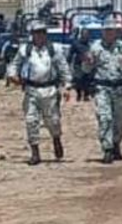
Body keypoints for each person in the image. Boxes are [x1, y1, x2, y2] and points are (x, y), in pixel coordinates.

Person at [7, 21, 73, 166]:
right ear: (32, 35)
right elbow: (14, 64)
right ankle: (35, 152)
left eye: (42, 32)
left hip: (50, 90)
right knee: (31, 121)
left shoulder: (54, 49)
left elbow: (63, 68)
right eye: (36, 33)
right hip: (31, 90)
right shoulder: (25, 50)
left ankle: (56, 139)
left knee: (53, 121)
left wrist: (67, 86)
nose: (39, 36)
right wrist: (13, 75)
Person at [82, 19, 122, 164]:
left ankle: (116, 143)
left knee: (120, 119)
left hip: (119, 88)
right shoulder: (95, 47)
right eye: (106, 30)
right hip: (102, 87)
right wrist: (87, 62)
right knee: (105, 117)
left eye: (112, 31)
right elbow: (86, 69)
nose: (109, 33)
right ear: (102, 32)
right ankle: (107, 149)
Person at [68, 28, 93, 102]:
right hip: (78, 64)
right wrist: (68, 63)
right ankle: (78, 94)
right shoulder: (76, 43)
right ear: (81, 35)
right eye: (85, 34)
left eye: (87, 34)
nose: (86, 36)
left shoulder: (91, 44)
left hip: (88, 64)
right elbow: (71, 53)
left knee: (87, 80)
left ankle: (86, 95)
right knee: (78, 80)